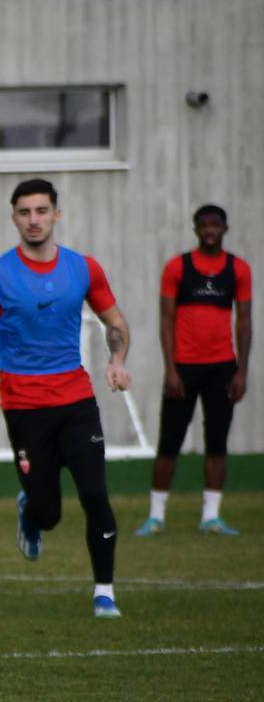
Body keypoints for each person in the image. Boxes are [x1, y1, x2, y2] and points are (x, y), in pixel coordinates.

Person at [0, 179, 133, 619]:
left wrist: (117, 359)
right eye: (25, 212)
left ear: (56, 214)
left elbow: (114, 321)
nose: (34, 220)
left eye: (41, 211)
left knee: (95, 495)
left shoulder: (83, 269)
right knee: (49, 513)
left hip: (76, 402)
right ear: (14, 218)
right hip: (24, 407)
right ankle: (31, 511)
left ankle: (104, 593)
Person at [136, 204, 250, 537]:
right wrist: (170, 369)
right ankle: (155, 517)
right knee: (169, 442)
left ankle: (211, 517)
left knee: (217, 443)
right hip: (183, 369)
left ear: (225, 229)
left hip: (222, 368)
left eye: (216, 224)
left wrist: (241, 371)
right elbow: (166, 320)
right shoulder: (177, 267)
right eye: (204, 225)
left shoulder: (238, 269)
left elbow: (244, 322)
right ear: (196, 229)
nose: (210, 230)